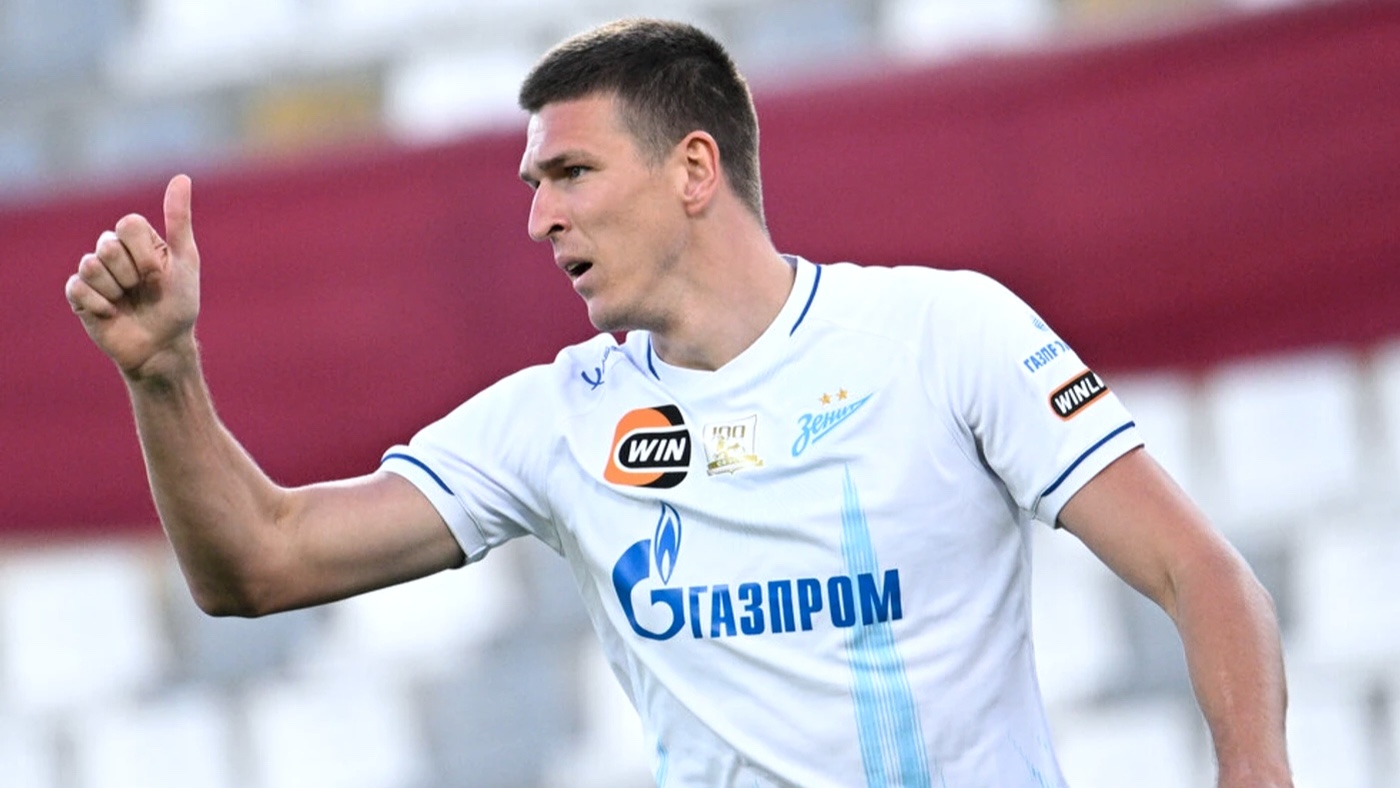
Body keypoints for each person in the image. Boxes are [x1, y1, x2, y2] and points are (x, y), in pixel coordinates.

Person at [65, 17, 1291, 788]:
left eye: (571, 173)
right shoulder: (557, 418)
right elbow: (259, 563)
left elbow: (1199, 571)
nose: (540, 217)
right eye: (533, 183)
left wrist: (1250, 770)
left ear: (693, 168)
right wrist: (163, 373)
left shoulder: (942, 333)